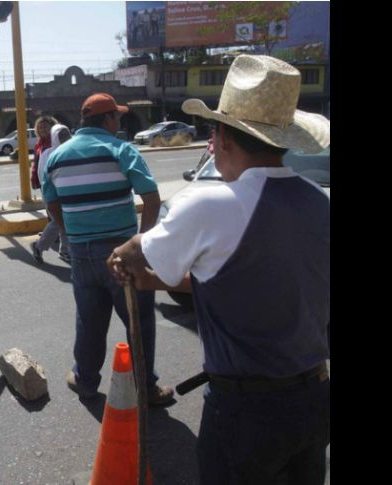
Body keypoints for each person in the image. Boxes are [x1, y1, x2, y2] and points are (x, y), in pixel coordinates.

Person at [107, 55, 330, 484]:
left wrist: (122, 259)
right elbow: (245, 281)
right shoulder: (316, 202)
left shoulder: (212, 204)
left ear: (222, 136)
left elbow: (129, 255)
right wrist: (155, 280)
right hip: (314, 398)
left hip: (247, 413)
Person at [41, 92, 173, 405]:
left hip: (82, 253)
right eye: (118, 117)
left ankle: (85, 381)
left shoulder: (58, 156)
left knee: (89, 321)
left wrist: (64, 231)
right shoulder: (121, 150)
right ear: (108, 119)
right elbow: (152, 199)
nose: (119, 123)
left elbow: (51, 202)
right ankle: (146, 388)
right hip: (123, 253)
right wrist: (141, 244)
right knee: (138, 323)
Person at [31, 124, 71, 264]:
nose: (65, 138)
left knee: (64, 222)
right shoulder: (48, 153)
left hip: (66, 193)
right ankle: (39, 246)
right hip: (53, 195)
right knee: (58, 222)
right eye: (61, 136)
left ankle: (64, 250)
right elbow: (43, 176)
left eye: (66, 135)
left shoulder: (69, 151)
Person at [30, 115, 56, 193]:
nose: (42, 130)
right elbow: (36, 164)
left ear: (52, 127)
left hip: (54, 181)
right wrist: (34, 179)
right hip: (43, 183)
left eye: (45, 127)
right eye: (40, 127)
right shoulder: (38, 145)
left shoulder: (55, 142)